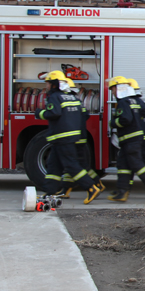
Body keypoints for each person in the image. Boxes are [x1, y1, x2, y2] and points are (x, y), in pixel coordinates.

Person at [35, 70, 101, 205]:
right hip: (68, 137)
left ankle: (91, 187)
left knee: (70, 164)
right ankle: (50, 191)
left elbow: (53, 113)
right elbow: (82, 115)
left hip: (61, 137)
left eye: (48, 83)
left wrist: (39, 113)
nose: (46, 86)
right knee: (53, 166)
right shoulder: (72, 97)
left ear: (54, 84)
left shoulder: (55, 97)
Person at [106, 77, 145, 203]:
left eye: (113, 89)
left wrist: (113, 123)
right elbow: (144, 116)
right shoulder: (134, 101)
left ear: (119, 88)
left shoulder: (123, 102)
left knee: (137, 164)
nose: (113, 92)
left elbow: (125, 119)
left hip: (130, 139)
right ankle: (122, 192)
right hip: (132, 139)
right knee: (123, 165)